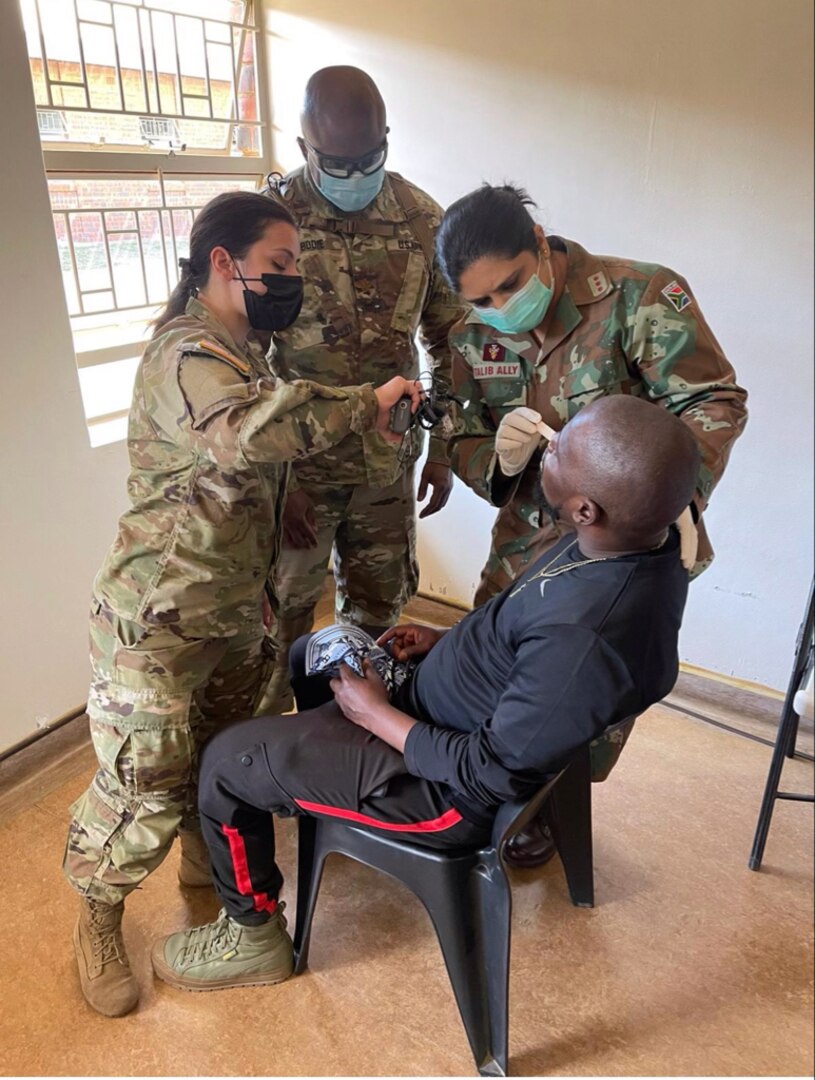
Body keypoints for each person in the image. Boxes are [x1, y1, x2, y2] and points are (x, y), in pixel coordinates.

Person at [149, 394, 700, 992]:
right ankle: (321, 789)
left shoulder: (585, 639)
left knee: (228, 761)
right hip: (438, 714)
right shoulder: (626, 541)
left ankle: (252, 935)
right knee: (315, 653)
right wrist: (448, 640)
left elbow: (488, 776)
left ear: (586, 508)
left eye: (561, 448)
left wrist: (377, 716)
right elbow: (520, 630)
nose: (549, 441)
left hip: (446, 794)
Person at [62, 190, 423, 1018]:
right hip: (156, 625)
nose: (293, 278)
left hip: (237, 612)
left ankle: (207, 874)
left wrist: (287, 498)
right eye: (282, 263)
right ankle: (99, 910)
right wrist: (365, 401)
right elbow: (245, 431)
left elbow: (248, 456)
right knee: (142, 787)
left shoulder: (243, 350)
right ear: (224, 264)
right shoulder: (185, 352)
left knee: (223, 758)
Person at [435, 183, 749, 867]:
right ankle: (492, 797)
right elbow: (460, 437)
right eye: (480, 300)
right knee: (493, 676)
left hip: (622, 546)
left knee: (590, 697)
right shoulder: (469, 337)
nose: (498, 310)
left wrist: (679, 497)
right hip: (526, 539)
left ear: (540, 246)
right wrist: (498, 455)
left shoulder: (637, 296)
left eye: (508, 287)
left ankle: (549, 808)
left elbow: (712, 401)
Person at [258, 65, 463, 716]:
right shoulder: (269, 225)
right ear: (303, 150)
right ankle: (277, 750)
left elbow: (449, 338)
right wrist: (276, 478)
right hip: (302, 472)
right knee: (281, 617)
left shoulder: (420, 220)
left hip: (386, 463)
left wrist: (444, 447)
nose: (355, 173)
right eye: (337, 162)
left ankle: (355, 739)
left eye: (369, 157)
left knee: (377, 614)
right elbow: (244, 359)